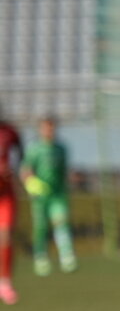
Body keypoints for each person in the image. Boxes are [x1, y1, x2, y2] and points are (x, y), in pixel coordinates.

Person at [21, 115, 77, 277]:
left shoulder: (61, 149)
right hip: (40, 198)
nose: (49, 131)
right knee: (41, 227)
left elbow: (65, 171)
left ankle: (67, 257)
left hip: (58, 195)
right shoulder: (34, 149)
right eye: (46, 127)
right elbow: (25, 171)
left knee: (61, 223)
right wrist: (32, 184)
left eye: (52, 127)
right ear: (40, 129)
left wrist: (71, 181)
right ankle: (41, 258)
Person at [0, 111, 22, 305]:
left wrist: (12, 169)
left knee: (5, 236)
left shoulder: (10, 132)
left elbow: (20, 154)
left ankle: (5, 282)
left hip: (6, 193)